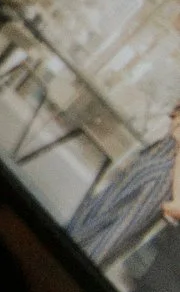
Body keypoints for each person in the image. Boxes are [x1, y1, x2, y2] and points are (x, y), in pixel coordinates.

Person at [68, 105, 180, 269]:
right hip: (160, 154)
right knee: (97, 214)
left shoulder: (162, 177)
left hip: (165, 170)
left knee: (110, 237)